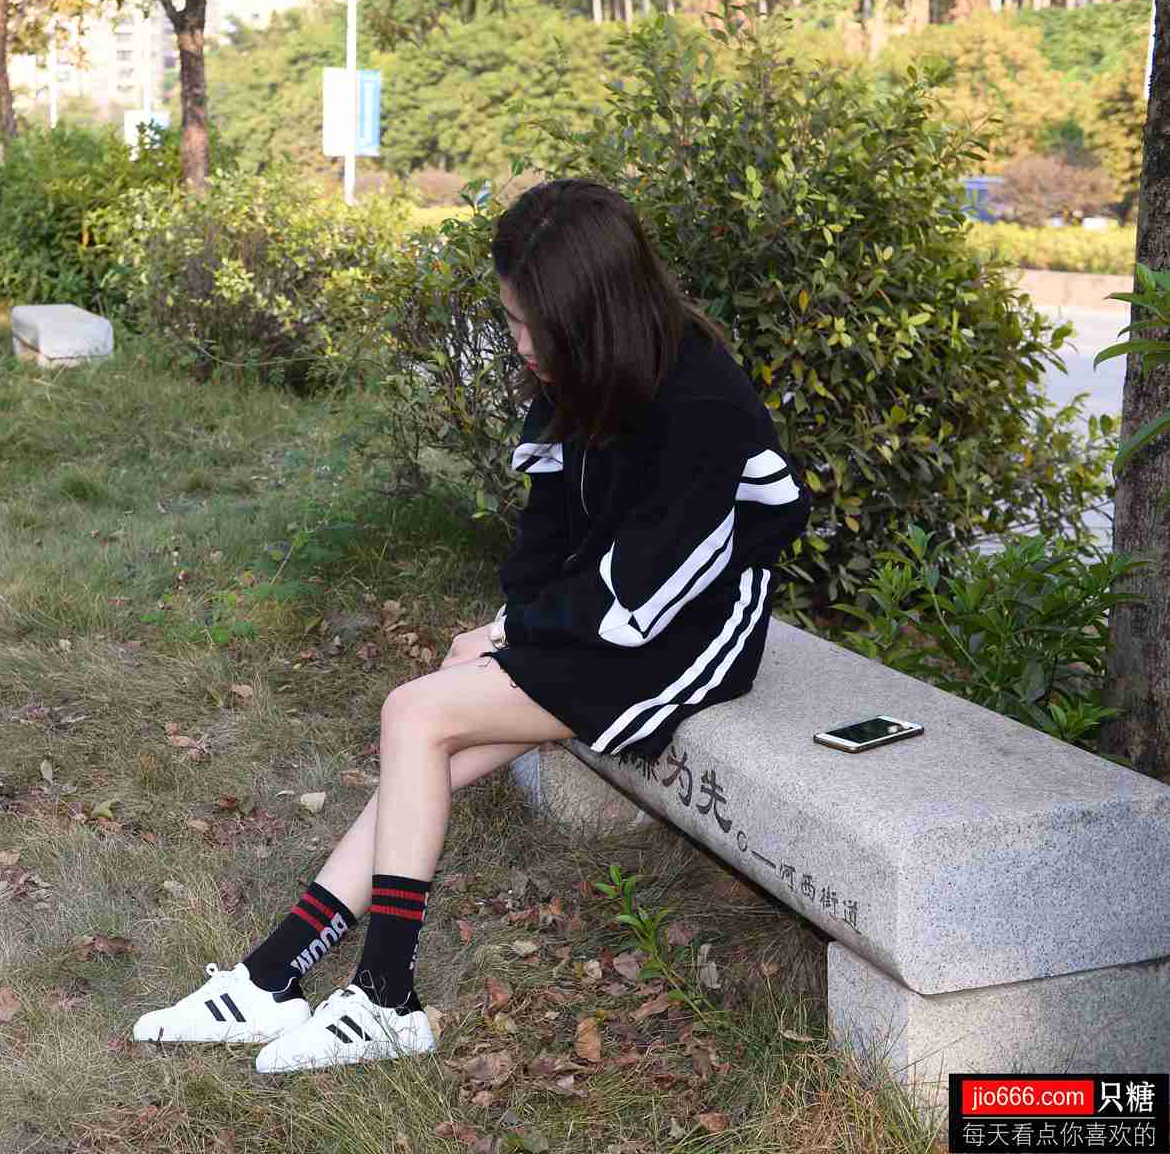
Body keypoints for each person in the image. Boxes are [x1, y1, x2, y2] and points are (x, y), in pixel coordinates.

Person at [130, 178, 813, 1073]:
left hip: (691, 632)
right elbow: (547, 541)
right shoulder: (581, 373)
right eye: (513, 321)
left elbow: (642, 598)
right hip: (613, 611)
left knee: (417, 714)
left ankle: (384, 997)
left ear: (590, 315)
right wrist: (509, 623)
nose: (520, 344)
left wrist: (513, 640)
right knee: (428, 737)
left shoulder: (700, 402)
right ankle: (274, 976)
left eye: (531, 325)